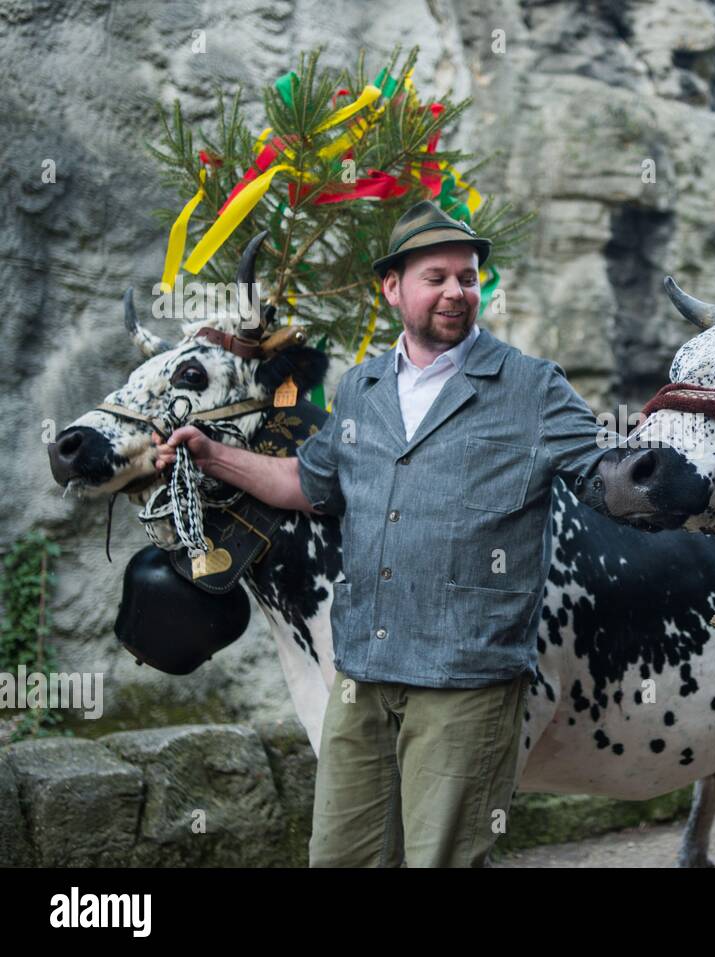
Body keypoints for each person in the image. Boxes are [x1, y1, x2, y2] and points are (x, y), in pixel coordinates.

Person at [155, 200, 608, 866]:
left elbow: (608, 474)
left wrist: (673, 470)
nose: (457, 290)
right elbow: (309, 486)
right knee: (341, 855)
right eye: (437, 276)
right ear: (393, 288)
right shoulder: (362, 388)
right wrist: (211, 455)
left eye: (468, 276)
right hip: (362, 673)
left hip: (465, 680)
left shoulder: (531, 387)